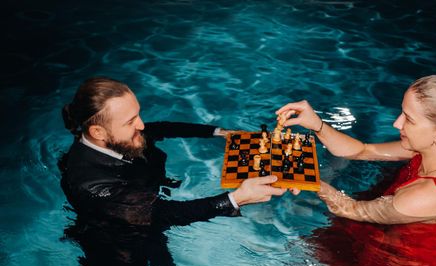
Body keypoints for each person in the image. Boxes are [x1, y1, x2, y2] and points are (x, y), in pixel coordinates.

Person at [59, 76, 286, 229]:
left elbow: (163, 128)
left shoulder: (120, 134)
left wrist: (219, 133)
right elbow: (163, 214)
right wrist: (236, 198)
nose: (141, 125)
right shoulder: (92, 184)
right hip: (118, 236)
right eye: (130, 121)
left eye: (138, 114)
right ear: (98, 132)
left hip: (146, 193)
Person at [276, 75, 436, 224]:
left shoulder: (429, 195)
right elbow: (362, 150)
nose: (396, 123)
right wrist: (316, 124)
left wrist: (309, 180)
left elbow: (353, 210)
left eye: (409, 119)